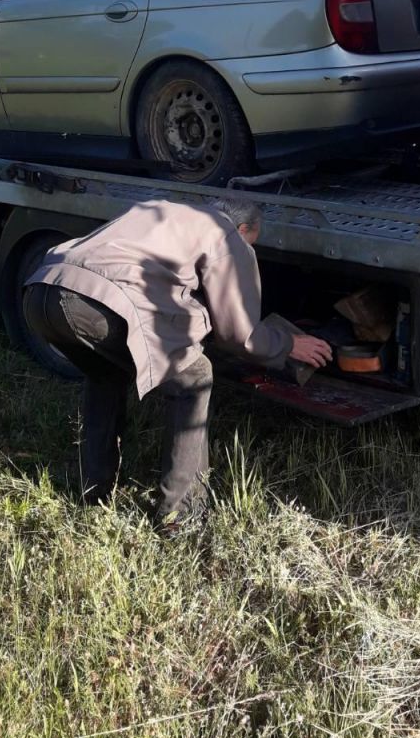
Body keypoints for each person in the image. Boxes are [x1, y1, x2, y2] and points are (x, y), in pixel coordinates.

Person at [22, 197, 332, 530]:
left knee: (105, 375)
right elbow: (238, 334)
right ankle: (179, 515)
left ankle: (94, 491)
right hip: (95, 302)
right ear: (244, 229)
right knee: (195, 377)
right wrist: (288, 344)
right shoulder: (226, 234)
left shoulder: (163, 210)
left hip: (41, 291)